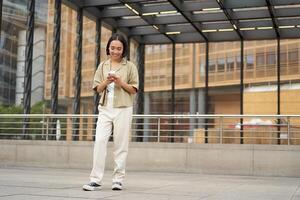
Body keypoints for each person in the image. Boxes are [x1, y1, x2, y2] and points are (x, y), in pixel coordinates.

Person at [83, 33, 139, 191]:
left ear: (123, 49)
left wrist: (120, 82)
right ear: (108, 48)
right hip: (105, 108)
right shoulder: (103, 66)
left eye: (119, 48)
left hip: (123, 108)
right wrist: (107, 81)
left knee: (121, 145)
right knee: (100, 142)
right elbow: (97, 89)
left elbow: (134, 89)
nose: (115, 51)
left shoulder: (130, 67)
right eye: (112, 48)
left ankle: (118, 180)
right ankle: (95, 179)